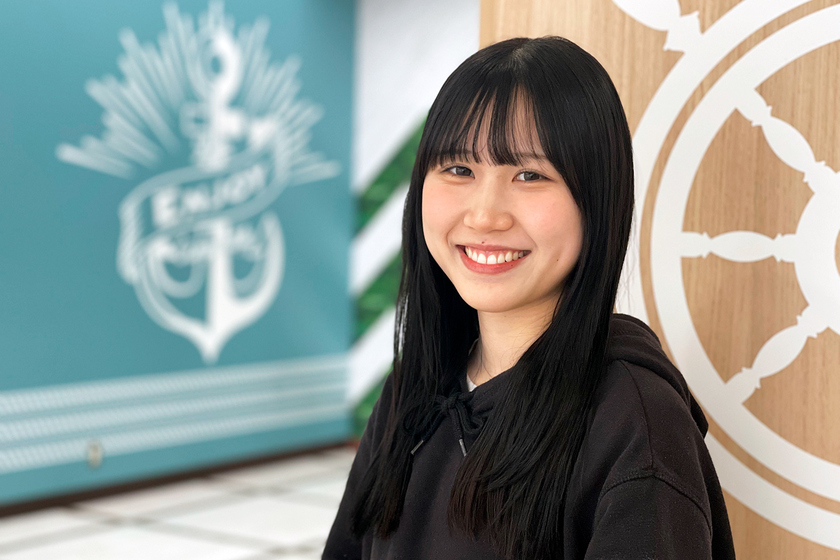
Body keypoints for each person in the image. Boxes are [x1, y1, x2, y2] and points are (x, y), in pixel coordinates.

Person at [323, 36, 736, 559]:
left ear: (597, 200)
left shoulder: (636, 426)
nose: (484, 215)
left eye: (529, 175)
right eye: (458, 169)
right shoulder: (415, 386)